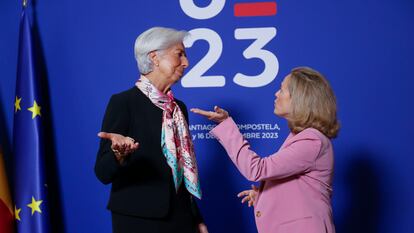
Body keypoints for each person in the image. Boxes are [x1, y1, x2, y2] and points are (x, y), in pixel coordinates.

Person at [191, 67, 340, 233]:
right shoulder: (301, 137)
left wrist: (226, 125)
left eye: (282, 90)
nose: (276, 94)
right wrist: (265, 196)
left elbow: (257, 170)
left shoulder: (311, 141)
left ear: (300, 98)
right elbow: (301, 189)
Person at [95, 27, 208, 233]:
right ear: (154, 57)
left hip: (181, 217)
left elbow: (182, 168)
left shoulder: (178, 108)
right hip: (138, 219)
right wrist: (117, 155)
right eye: (179, 54)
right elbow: (102, 172)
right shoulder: (123, 103)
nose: (186, 63)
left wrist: (196, 218)